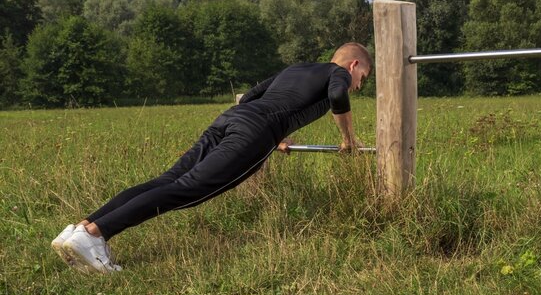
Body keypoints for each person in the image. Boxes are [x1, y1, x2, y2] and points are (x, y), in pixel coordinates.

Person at [51, 42, 372, 273]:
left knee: (167, 181)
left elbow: (250, 96)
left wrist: (280, 131)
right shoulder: (338, 74)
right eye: (364, 78)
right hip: (254, 132)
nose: (359, 85)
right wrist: (348, 139)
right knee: (187, 190)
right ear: (353, 65)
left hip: (230, 119)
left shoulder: (298, 68)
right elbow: (337, 95)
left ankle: (81, 229)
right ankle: (96, 235)